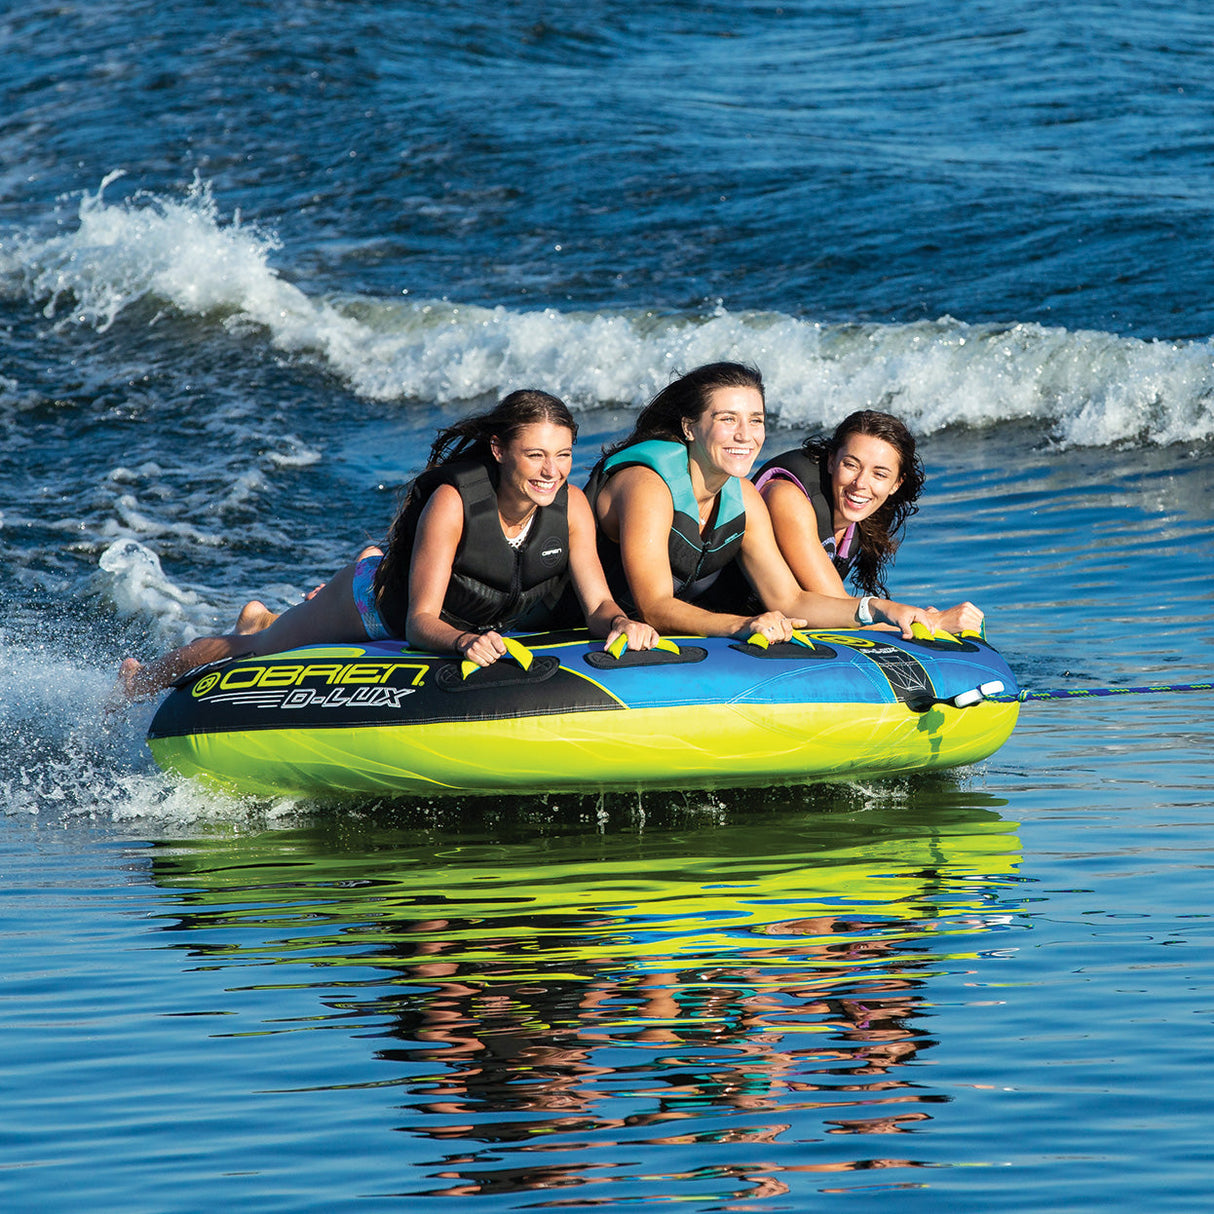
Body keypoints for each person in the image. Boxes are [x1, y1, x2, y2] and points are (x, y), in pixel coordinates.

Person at [118, 389, 658, 699]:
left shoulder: (573, 508)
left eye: (564, 455)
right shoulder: (454, 501)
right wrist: (463, 642)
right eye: (536, 454)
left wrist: (620, 623)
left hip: (470, 610)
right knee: (258, 649)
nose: (553, 471)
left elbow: (598, 603)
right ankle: (144, 678)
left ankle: (268, 616)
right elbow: (420, 621)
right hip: (376, 606)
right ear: (498, 449)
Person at [584, 361, 940, 644]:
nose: (745, 435)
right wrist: (743, 625)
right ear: (690, 427)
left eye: (755, 420)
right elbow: (654, 607)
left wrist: (877, 609)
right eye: (727, 419)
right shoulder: (649, 486)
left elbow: (789, 601)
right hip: (571, 627)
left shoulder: (744, 499)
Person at [753, 410, 983, 635]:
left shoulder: (860, 516)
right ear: (832, 461)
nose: (861, 483)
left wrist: (916, 616)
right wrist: (931, 622)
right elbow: (838, 605)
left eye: (880, 474)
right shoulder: (786, 497)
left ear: (896, 484)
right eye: (851, 465)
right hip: (725, 628)